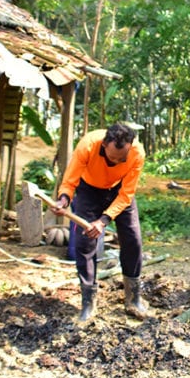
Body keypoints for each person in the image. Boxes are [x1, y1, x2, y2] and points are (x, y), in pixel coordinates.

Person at [52, 122, 150, 322]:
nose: (114, 162)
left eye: (120, 159)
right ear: (104, 145)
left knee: (133, 240)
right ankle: (88, 302)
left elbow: (126, 194)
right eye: (111, 158)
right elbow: (70, 181)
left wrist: (103, 220)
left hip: (119, 191)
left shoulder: (137, 153)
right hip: (89, 190)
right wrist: (63, 200)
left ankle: (133, 298)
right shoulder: (87, 145)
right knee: (84, 243)